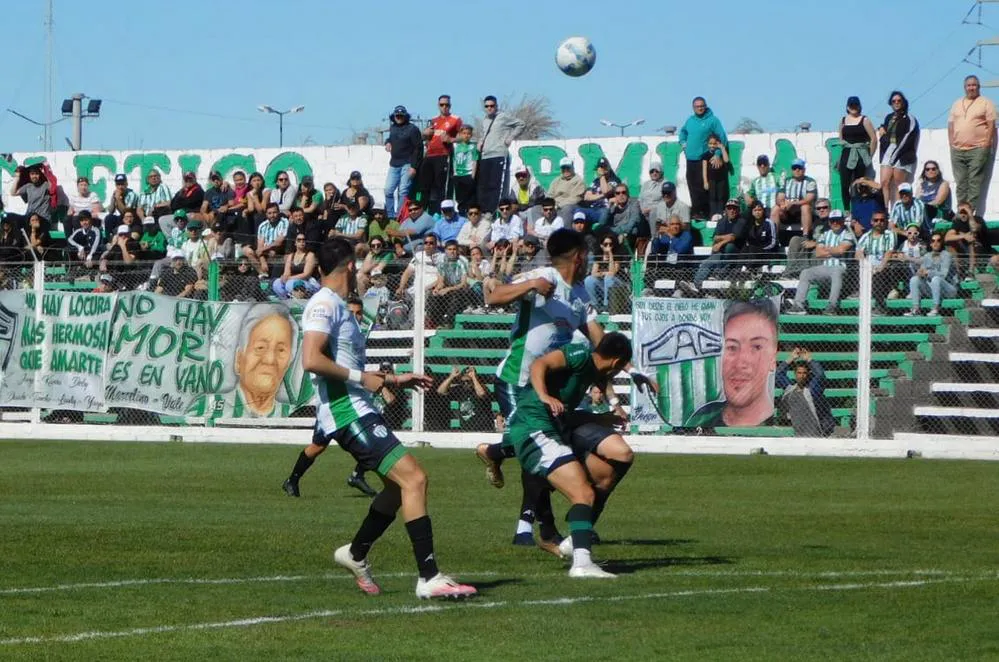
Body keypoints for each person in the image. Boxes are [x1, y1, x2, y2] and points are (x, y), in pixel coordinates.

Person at [291, 238, 476, 599]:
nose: (367, 269)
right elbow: (312, 360)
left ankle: (356, 552)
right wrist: (365, 379)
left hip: (357, 407)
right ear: (348, 266)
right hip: (347, 412)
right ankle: (429, 576)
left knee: (397, 488)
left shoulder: (336, 305)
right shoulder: (324, 304)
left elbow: (342, 363)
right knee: (415, 479)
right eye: (362, 263)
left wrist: (392, 379)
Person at [476, 229, 603, 554]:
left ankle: (495, 452)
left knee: (541, 449)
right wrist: (530, 286)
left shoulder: (580, 293)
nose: (589, 259)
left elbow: (596, 336)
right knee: (541, 448)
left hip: (545, 384)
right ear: (579, 256)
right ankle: (546, 530)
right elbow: (494, 296)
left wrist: (624, 366)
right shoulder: (543, 276)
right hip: (517, 380)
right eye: (586, 254)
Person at [507, 333, 635, 578]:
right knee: (583, 493)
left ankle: (575, 543)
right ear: (616, 362)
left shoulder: (588, 375)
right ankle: (581, 563)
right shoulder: (579, 355)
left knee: (605, 475)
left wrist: (601, 419)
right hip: (535, 428)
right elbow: (539, 364)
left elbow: (566, 414)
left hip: (552, 429)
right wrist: (544, 395)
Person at [685, 299, 779, 428]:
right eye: (732, 347)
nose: (740, 363)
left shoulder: (778, 424)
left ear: (773, 358)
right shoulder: (701, 419)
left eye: (756, 347)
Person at [786, 211, 856, 315]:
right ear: (829, 222)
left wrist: (827, 249)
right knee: (806, 272)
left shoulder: (848, 235)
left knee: (836, 271)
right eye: (832, 221)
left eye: (838, 220)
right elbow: (819, 253)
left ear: (843, 221)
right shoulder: (825, 235)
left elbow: (841, 250)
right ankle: (798, 306)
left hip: (841, 269)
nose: (835, 223)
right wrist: (834, 250)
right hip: (825, 268)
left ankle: (832, 305)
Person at [948, 74, 997, 213]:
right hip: (958, 149)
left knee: (974, 181)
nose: (971, 88)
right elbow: (951, 124)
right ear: (964, 87)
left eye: (974, 85)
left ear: (979, 87)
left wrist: (987, 144)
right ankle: (961, 212)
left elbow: (992, 124)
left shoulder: (986, 102)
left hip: (978, 148)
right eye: (969, 85)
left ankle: (969, 213)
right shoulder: (957, 103)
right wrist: (951, 142)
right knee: (961, 183)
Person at [681, 201, 747, 295]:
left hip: (737, 254)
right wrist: (723, 239)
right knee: (706, 262)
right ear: (726, 210)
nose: (732, 210)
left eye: (734, 208)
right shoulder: (722, 221)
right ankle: (696, 286)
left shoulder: (741, 221)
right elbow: (716, 237)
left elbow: (733, 237)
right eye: (729, 208)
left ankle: (718, 276)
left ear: (738, 210)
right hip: (722, 253)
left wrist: (720, 243)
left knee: (729, 247)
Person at [679, 96, 727, 219]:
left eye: (702, 106)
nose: (700, 108)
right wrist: (683, 143)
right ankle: (696, 213)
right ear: (693, 107)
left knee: (703, 187)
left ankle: (707, 213)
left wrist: (717, 154)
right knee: (692, 186)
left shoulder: (713, 120)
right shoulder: (690, 120)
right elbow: (682, 132)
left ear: (705, 106)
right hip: (690, 159)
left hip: (704, 159)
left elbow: (722, 138)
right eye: (697, 106)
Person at [476, 95, 525, 214]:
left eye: (492, 106)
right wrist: (481, 141)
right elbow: (484, 134)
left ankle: (492, 212)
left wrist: (510, 137)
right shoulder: (484, 120)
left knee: (496, 185)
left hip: (498, 154)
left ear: (496, 106)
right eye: (486, 106)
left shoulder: (502, 117)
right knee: (483, 186)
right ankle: (483, 211)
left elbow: (521, 124)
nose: (489, 108)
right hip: (485, 155)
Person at [776, 348, 835, 437]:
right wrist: (791, 358)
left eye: (804, 373)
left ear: (808, 375)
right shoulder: (790, 389)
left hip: (817, 433)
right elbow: (778, 375)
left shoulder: (812, 390)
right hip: (799, 433)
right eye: (799, 373)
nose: (802, 376)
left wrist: (809, 360)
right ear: (795, 374)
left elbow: (820, 375)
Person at [419, 95, 462, 214]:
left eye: (446, 105)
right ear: (438, 105)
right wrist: (424, 134)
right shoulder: (433, 120)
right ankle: (423, 212)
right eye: (442, 105)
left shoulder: (455, 119)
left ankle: (440, 212)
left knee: (441, 186)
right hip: (429, 155)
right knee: (424, 186)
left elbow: (464, 136)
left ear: (450, 106)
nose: (444, 107)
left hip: (443, 155)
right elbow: (425, 137)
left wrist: (451, 139)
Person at [878, 91, 920, 209]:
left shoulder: (910, 118)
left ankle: (897, 210)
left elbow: (907, 138)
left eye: (899, 101)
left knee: (898, 183)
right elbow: (884, 134)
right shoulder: (889, 118)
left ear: (903, 102)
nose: (896, 103)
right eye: (893, 101)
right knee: (885, 182)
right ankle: (885, 210)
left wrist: (895, 155)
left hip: (903, 154)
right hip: (888, 151)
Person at [837, 96, 878, 210]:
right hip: (846, 153)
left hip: (860, 154)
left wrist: (869, 156)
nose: (853, 107)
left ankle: (859, 207)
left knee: (860, 183)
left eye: (856, 105)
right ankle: (847, 210)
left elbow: (873, 139)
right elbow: (841, 139)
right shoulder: (843, 120)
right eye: (851, 105)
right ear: (847, 107)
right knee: (845, 184)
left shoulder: (865, 120)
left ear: (859, 106)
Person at [384, 106, 424, 220]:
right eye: (397, 116)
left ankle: (400, 215)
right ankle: (390, 215)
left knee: (403, 190)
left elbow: (419, 148)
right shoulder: (393, 128)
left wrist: (414, 166)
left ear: (405, 116)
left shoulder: (412, 129)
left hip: (407, 163)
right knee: (388, 189)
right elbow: (391, 139)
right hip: (394, 164)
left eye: (401, 116)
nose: (399, 118)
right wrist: (387, 142)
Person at [907, 232, 956, 317]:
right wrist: (920, 273)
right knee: (914, 279)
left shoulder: (946, 255)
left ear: (942, 242)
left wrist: (928, 272)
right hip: (933, 288)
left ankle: (936, 308)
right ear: (930, 243)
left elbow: (943, 275)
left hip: (949, 289)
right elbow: (922, 270)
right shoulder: (927, 256)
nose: (935, 243)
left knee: (936, 279)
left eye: (938, 240)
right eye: (933, 241)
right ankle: (916, 309)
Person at [856, 211, 897, 313]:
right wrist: (866, 264)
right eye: (876, 220)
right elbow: (858, 253)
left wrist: (880, 267)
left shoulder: (889, 235)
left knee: (878, 276)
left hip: (883, 267)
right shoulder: (866, 236)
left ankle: (880, 306)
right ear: (871, 222)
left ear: (886, 222)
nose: (879, 222)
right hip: (868, 267)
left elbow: (889, 252)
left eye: (882, 220)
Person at [431, 366, 492, 432]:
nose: (465, 383)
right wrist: (451, 377)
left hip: (482, 429)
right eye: (463, 381)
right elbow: (440, 391)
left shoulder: (482, 388)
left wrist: (474, 377)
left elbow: (481, 394)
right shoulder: (460, 389)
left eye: (468, 381)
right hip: (465, 429)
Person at [771, 159, 817, 246]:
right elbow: (780, 197)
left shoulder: (810, 181)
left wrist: (793, 203)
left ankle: (806, 236)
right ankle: (774, 238)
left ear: (804, 169)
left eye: (799, 168)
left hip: (802, 213)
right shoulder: (786, 181)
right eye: (794, 168)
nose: (797, 170)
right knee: (776, 208)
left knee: (805, 206)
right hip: (788, 213)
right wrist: (782, 204)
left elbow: (809, 199)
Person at [944, 202, 990, 280]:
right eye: (961, 212)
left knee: (971, 241)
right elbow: (947, 238)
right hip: (965, 250)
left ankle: (971, 272)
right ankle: (959, 273)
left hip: (981, 250)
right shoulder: (957, 222)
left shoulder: (978, 219)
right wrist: (964, 236)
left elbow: (974, 229)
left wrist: (970, 214)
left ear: (971, 210)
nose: (963, 214)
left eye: (965, 211)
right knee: (950, 244)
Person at [244, 202, 288, 279]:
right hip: (265, 252)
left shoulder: (284, 222)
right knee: (246, 250)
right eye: (269, 213)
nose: (272, 215)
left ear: (278, 212)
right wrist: (262, 260)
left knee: (273, 252)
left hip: (279, 250)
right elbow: (260, 245)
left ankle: (267, 276)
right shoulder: (262, 225)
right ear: (266, 214)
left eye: (274, 212)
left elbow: (278, 242)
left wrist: (262, 250)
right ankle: (262, 273)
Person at [585, 234, 625, 314]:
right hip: (604, 285)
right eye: (605, 244)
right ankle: (595, 305)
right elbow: (593, 273)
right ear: (601, 246)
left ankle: (606, 305)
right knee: (588, 280)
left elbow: (613, 272)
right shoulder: (599, 255)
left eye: (610, 244)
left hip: (617, 285)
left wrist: (610, 254)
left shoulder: (617, 255)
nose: (608, 246)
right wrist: (605, 273)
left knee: (608, 278)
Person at [576, 157, 619, 228]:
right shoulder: (595, 181)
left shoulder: (614, 180)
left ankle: (599, 232)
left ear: (609, 168)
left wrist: (602, 176)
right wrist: (602, 195)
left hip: (605, 209)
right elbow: (587, 197)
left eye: (605, 167)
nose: (603, 169)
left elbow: (605, 190)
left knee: (605, 212)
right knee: (578, 211)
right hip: (592, 209)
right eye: (601, 167)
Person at [273, 234, 319, 299]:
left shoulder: (310, 255)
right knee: (277, 283)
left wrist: (290, 278)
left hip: (307, 281)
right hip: (291, 280)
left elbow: (306, 274)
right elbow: (287, 272)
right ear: (295, 243)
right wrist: (284, 277)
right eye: (299, 240)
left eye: (303, 240)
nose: (302, 242)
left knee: (290, 284)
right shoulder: (291, 256)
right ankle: (286, 300)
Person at [547, 158, 586, 225]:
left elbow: (576, 198)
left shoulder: (578, 181)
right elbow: (550, 195)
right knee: (536, 209)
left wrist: (559, 205)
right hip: (555, 205)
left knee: (567, 208)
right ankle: (540, 231)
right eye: (563, 168)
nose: (565, 170)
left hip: (571, 206)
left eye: (568, 167)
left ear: (572, 168)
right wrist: (551, 205)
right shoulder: (556, 181)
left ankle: (565, 232)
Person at [702, 133, 732, 217]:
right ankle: (713, 214)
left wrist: (722, 148)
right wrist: (705, 182)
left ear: (717, 143)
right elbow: (704, 170)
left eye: (714, 143)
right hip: (711, 180)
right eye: (710, 143)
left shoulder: (720, 154)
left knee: (720, 197)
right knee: (712, 197)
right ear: (707, 144)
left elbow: (726, 160)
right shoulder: (706, 155)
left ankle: (720, 214)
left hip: (721, 179)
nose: (712, 146)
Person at [451, 124, 479, 213]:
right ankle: (461, 213)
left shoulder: (473, 146)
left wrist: (473, 176)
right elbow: (453, 160)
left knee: (470, 197)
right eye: (464, 133)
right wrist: (454, 173)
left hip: (468, 174)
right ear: (460, 134)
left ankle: (470, 214)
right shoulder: (455, 146)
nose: (466, 135)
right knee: (459, 197)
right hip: (458, 175)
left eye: (468, 133)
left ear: (471, 135)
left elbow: (475, 161)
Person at [138, 170, 173, 235]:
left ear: (159, 178)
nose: (153, 178)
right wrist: (143, 218)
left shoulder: (163, 187)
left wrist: (155, 207)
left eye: (155, 176)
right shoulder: (144, 192)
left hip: (159, 215)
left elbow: (169, 202)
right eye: (151, 177)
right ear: (148, 180)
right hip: (147, 218)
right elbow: (139, 209)